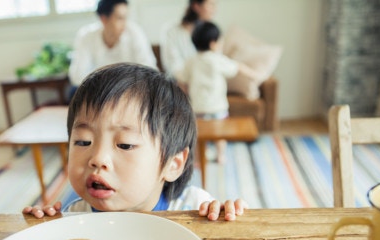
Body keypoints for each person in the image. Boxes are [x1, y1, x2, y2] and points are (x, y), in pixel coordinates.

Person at [23, 63, 247, 221]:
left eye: (125, 145)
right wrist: (41, 227)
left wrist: (225, 214)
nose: (98, 159)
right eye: (83, 142)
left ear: (173, 164)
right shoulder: (75, 216)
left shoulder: (195, 207)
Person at [175, 21, 241, 163]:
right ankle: (220, 155)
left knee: (200, 135)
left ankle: (200, 156)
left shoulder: (191, 61)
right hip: (218, 108)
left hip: (198, 108)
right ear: (213, 43)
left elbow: (181, 77)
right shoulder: (218, 59)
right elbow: (233, 69)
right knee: (220, 134)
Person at [68, 0, 156, 88]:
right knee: (74, 91)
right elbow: (77, 76)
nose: (125, 24)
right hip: (98, 90)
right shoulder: (86, 36)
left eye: (126, 17)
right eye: (120, 18)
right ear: (104, 19)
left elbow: (149, 70)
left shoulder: (135, 33)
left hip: (131, 88)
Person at [160, 0, 217, 78]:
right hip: (182, 83)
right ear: (196, 6)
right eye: (211, 4)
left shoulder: (211, 32)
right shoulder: (171, 31)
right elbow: (172, 67)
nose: (214, 10)